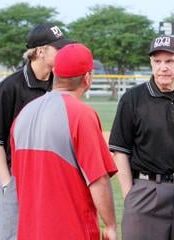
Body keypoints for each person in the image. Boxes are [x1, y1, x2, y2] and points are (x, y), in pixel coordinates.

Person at [109, 35, 174, 240]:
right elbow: (120, 151)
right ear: (151, 63)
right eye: (157, 61)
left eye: (170, 61)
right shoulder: (133, 99)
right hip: (147, 191)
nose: (163, 67)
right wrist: (130, 195)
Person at [10, 43, 118, 240]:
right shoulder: (81, 114)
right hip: (71, 230)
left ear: (55, 74)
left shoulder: (24, 114)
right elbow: (98, 179)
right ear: (87, 78)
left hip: (29, 231)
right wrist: (110, 225)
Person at [0, 22, 74, 240]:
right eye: (58, 48)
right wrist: (7, 183)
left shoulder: (61, 85)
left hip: (52, 177)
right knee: (13, 235)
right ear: (40, 52)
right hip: (18, 177)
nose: (63, 53)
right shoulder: (9, 87)